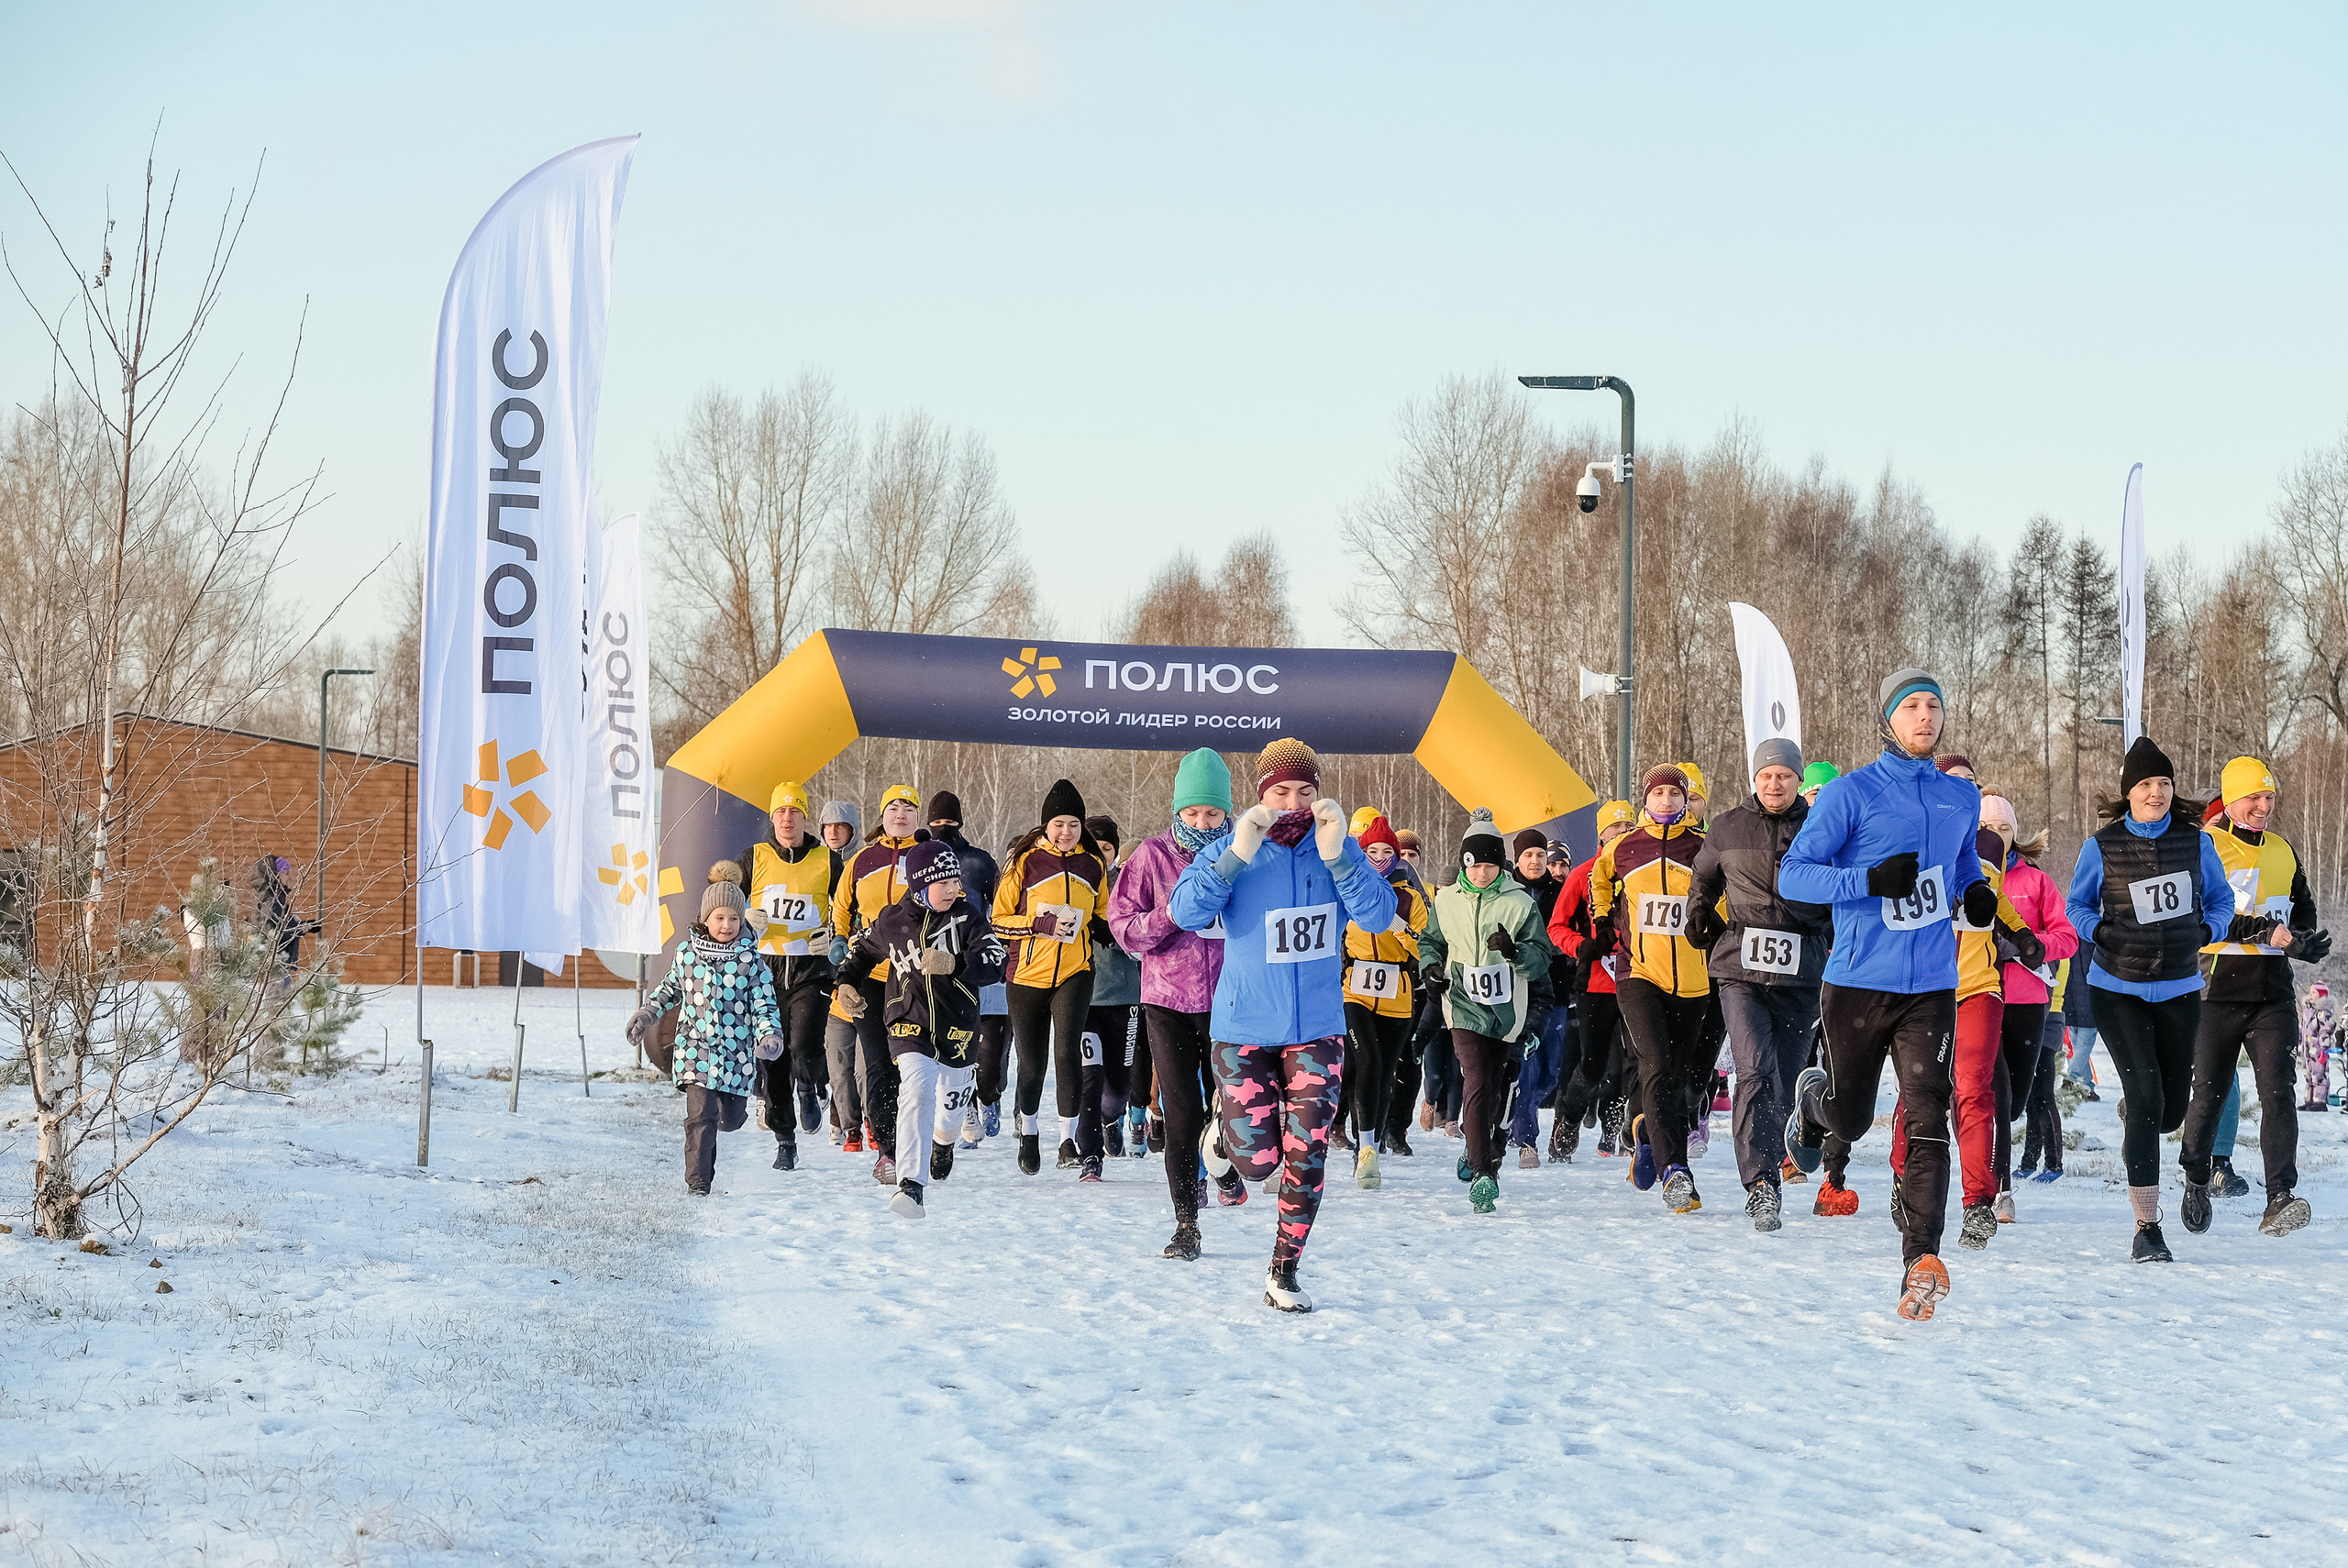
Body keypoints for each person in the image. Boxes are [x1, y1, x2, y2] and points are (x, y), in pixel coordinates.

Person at [1780, 668, 1993, 1321]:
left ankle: (1920, 1259)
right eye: (1911, 707)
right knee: (1850, 1119)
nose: (1925, 717)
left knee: (1929, 1112)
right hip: (1857, 982)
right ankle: (1812, 1103)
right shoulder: (1851, 794)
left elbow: (1961, 864)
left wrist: (1973, 891)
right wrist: (1869, 881)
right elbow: (1795, 876)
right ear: (1889, 719)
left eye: (1934, 706)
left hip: (1931, 984)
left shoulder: (1961, 798)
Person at [1168, 737, 1396, 1312]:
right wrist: (1234, 854)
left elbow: (1379, 915)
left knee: (1308, 1152)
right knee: (1259, 1162)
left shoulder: (1336, 848)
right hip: (1243, 1027)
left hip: (1317, 1027)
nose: (1293, 802)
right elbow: (1185, 913)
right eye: (1281, 792)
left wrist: (1341, 856)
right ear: (1261, 796)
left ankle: (1283, 1269)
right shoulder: (1231, 847)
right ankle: (1223, 1139)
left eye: (1304, 790)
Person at [2063, 736, 2234, 1263]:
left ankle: (2140, 1112)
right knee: (2146, 1100)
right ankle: (2147, 1227)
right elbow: (2076, 905)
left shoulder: (2197, 843)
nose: (2156, 793)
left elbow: (2222, 900)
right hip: (2118, 988)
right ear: (2129, 793)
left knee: (2168, 1111)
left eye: (2163, 783)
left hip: (2180, 987)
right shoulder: (2102, 846)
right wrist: (2099, 931)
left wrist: (2207, 929)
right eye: (2145, 785)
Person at [1684, 737, 1834, 1233]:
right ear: (1754, 779)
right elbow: (1703, 880)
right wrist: (1699, 912)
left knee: (1786, 1077)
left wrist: (1834, 935)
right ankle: (1761, 1185)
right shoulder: (1727, 827)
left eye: (1784, 776)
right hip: (1740, 970)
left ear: (1798, 781)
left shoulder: (1822, 826)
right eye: (1766, 776)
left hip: (1802, 970)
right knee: (1752, 1069)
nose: (1774, 784)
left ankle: (1788, 1145)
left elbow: (1841, 887)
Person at [2179, 756, 2331, 1240]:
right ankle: (2196, 1179)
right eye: (2254, 797)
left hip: (2272, 994)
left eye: (2269, 797)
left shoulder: (2283, 850)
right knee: (2208, 1095)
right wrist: (2269, 932)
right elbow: (2205, 913)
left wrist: (2302, 941)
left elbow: (2301, 909)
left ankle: (2280, 1196)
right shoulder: (2206, 846)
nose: (2264, 806)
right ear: (2230, 800)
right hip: (2216, 991)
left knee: (2279, 1093)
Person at [1886, 804, 2045, 1253]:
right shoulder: (1912, 832)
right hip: (1923, 989)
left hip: (1978, 988)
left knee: (1974, 1089)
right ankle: (1903, 1176)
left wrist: (2024, 936)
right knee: (1919, 1092)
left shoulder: (1988, 848)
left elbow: (1999, 900)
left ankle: (1978, 1201)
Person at [1106, 748, 1237, 1259]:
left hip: (1233, 1000)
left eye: (1213, 813)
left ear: (1228, 812)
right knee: (1181, 1111)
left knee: (1234, 1107)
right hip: (1167, 1001)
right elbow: (1122, 927)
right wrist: (1171, 918)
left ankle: (1222, 1164)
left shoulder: (1246, 856)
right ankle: (1187, 1223)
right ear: (1177, 810)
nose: (1202, 823)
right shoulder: (1150, 857)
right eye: (1193, 812)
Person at [834, 838, 1007, 1219]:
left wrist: (956, 963)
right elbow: (860, 952)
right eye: (943, 883)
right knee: (916, 1090)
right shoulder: (892, 920)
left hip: (958, 1027)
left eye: (955, 882)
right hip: (907, 1022)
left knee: (950, 1111)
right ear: (919, 885)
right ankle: (911, 1185)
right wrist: (845, 983)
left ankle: (943, 1143)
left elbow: (997, 962)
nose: (953, 889)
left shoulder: (968, 918)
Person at [1418, 810, 1556, 1214]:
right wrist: (1430, 969)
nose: (1481, 873)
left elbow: (1541, 958)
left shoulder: (1520, 903)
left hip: (1507, 1010)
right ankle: (1483, 1173)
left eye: (1490, 865)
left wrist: (1514, 951)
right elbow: (1431, 943)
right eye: (1474, 865)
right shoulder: (1446, 901)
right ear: (1464, 864)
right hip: (1463, 1004)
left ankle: (1476, 1144)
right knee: (1477, 1081)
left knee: (1496, 1087)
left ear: (1501, 865)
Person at [1589, 764, 1711, 1215]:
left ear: (1685, 799)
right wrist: (1603, 919)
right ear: (1646, 800)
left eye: (1674, 793)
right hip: (1638, 973)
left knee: (1677, 1078)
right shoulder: (1625, 845)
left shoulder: (1702, 846)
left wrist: (1713, 921)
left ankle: (1647, 1139)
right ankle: (1675, 1170)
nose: (1666, 801)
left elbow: (1724, 890)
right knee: (1656, 1065)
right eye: (1657, 793)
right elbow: (1598, 877)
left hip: (1694, 981)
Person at [627, 864, 783, 1196]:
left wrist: (770, 1035)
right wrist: (647, 1014)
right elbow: (669, 989)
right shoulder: (687, 955)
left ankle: (728, 1117)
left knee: (730, 1119)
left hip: (736, 1055)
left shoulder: (751, 961)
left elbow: (764, 1005)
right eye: (719, 917)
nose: (727, 925)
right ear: (705, 919)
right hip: (695, 1048)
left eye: (734, 919)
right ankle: (698, 1183)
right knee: (700, 1115)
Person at [994, 778, 1113, 1180]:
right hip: (1027, 975)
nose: (1066, 832)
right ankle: (1029, 1131)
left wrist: (1105, 928)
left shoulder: (1092, 864)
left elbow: (1102, 910)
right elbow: (998, 920)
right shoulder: (1025, 862)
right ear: (1046, 825)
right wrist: (1038, 924)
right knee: (1032, 1065)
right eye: (1059, 824)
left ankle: (1067, 1140)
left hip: (1075, 973)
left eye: (1074, 825)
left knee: (1067, 1053)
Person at [730, 779, 844, 1170]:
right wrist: (744, 915)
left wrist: (835, 934)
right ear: (772, 817)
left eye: (795, 811)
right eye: (780, 811)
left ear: (805, 817)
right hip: (765, 970)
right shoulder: (754, 857)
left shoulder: (827, 860)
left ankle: (810, 1086)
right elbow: (720, 900)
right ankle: (785, 1139)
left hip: (811, 968)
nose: (787, 819)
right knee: (772, 1053)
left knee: (805, 1045)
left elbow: (851, 905)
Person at [1980, 790, 2076, 1221]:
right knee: (1994, 1097)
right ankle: (1997, 1188)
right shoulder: (1961, 874)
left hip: (2028, 1001)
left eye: (2004, 828)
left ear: (2015, 834)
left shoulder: (2035, 882)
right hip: (1977, 996)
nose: (1996, 835)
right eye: (1986, 828)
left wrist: (2029, 946)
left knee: (2015, 1103)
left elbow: (2068, 938)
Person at [828, 785, 924, 1183]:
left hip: (915, 977)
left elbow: (950, 901)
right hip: (870, 974)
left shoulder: (928, 855)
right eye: (893, 808)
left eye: (908, 808)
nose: (900, 814)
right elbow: (841, 907)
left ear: (918, 816)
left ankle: (931, 1138)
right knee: (879, 1063)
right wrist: (838, 940)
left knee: (914, 1065)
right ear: (882, 816)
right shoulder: (862, 860)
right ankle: (888, 1151)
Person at [1546, 800, 1638, 1162]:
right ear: (1601, 835)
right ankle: (1568, 1118)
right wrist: (1581, 946)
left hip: (1640, 980)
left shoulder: (1644, 872)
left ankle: (1627, 1132)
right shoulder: (1583, 874)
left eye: (1629, 828)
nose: (1623, 834)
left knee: (1637, 1063)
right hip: (1596, 983)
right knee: (1593, 1065)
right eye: (1616, 829)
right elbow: (1556, 927)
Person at [1341, 813, 1426, 1190]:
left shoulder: (1410, 897)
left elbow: (1426, 948)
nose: (1378, 858)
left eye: (1386, 852)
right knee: (1367, 1063)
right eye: (1371, 851)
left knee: (1386, 1073)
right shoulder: (1347, 891)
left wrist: (1399, 928)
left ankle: (1373, 1146)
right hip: (1355, 991)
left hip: (1397, 995)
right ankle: (1364, 1147)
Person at [925, 791, 1002, 1146]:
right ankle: (961, 1106)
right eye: (937, 822)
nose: (943, 828)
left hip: (970, 958)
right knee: (941, 1040)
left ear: (960, 823)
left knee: (977, 1041)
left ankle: (981, 1096)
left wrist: (993, 944)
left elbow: (1000, 906)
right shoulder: (920, 858)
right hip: (930, 960)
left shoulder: (979, 861)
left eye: (949, 822)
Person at [1506, 829, 1575, 1168]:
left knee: (1550, 1071)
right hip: (1517, 989)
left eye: (1539, 856)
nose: (1535, 862)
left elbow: (1574, 931)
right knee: (1527, 1067)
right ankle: (1526, 1139)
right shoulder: (1507, 892)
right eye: (1528, 856)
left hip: (1556, 989)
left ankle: (1513, 1109)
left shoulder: (1562, 893)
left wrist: (1566, 950)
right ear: (1517, 860)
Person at [1084, 814, 1146, 1159]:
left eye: (1106, 848)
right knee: (1088, 1076)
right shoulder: (1069, 883)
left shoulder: (1129, 883)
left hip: (1124, 994)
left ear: (1115, 852)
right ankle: (1089, 1152)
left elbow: (1146, 930)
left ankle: (1111, 1117)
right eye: (1093, 847)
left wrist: (1123, 936)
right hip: (1080, 994)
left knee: (1120, 1081)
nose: (1099, 854)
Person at [2019, 957, 2073, 1181]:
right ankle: (2029, 1162)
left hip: (2047, 1018)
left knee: (2043, 1096)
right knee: (2033, 1098)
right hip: (2035, 1016)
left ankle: (2054, 1164)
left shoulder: (2054, 948)